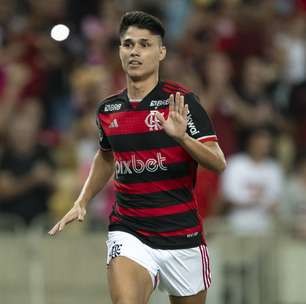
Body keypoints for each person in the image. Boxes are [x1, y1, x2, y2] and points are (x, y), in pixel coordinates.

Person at [49, 11, 226, 304]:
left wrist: (182, 137)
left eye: (145, 44)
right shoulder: (108, 110)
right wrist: (82, 200)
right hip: (130, 231)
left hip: (182, 236)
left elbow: (217, 162)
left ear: (161, 52)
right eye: (128, 44)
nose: (135, 51)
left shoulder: (181, 102)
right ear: (120, 50)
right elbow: (106, 156)